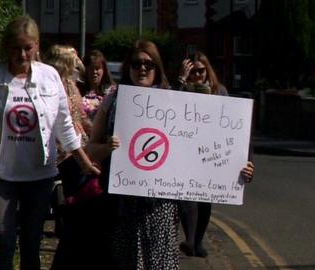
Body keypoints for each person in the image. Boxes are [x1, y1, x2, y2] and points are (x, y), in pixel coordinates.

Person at [0, 15, 100, 270]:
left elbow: (64, 124)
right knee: (5, 241)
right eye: (16, 47)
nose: (22, 54)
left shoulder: (50, 77)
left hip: (38, 175)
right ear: (6, 47)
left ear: (37, 45)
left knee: (32, 242)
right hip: (0, 174)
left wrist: (84, 162)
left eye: (28, 47)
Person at [87, 40, 178, 270]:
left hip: (160, 204)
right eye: (137, 64)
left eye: (149, 64)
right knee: (123, 262)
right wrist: (108, 146)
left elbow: (196, 152)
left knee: (159, 264)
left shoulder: (176, 103)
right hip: (121, 201)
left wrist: (233, 169)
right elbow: (91, 148)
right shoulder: (113, 99)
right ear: (128, 68)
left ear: (158, 68)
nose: (143, 69)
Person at [176, 51, 255, 257]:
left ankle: (198, 241)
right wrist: (182, 80)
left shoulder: (219, 91)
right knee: (186, 197)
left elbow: (234, 129)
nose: (196, 75)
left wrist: (245, 161)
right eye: (192, 71)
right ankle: (190, 240)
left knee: (204, 199)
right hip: (186, 150)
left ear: (207, 70)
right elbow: (170, 104)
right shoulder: (183, 88)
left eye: (200, 71)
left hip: (210, 153)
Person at [43, 44, 92, 161]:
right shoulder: (49, 86)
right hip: (58, 146)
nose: (75, 66)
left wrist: (93, 131)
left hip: (78, 144)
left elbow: (81, 115)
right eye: (71, 62)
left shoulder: (71, 85)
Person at [81, 49, 116, 119]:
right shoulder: (78, 91)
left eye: (97, 68)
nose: (94, 72)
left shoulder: (112, 92)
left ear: (104, 70)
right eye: (91, 68)